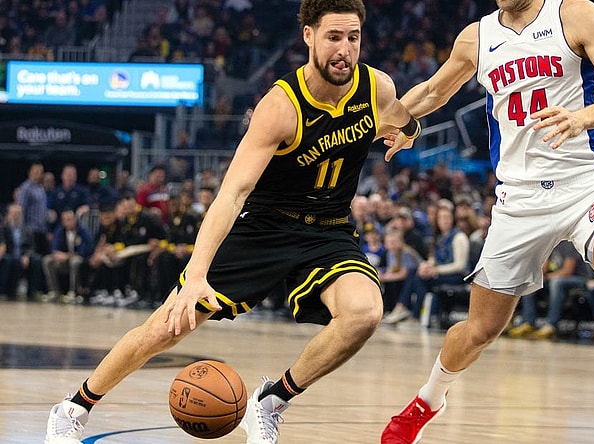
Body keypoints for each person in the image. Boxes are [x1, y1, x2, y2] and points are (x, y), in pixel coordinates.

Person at [45, 1, 421, 443]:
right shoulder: (280, 107)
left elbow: (401, 117)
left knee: (364, 313)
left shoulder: (376, 87)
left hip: (329, 229)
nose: (344, 50)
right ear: (308, 36)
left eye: (353, 38)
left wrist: (408, 133)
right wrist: (197, 275)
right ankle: (74, 407)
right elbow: (232, 194)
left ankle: (271, 400)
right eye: (333, 37)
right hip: (265, 226)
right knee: (167, 326)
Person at [380, 1, 594, 443]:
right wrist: (392, 120)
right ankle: (427, 400)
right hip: (519, 198)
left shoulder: (577, 14)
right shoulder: (477, 36)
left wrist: (581, 117)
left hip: (586, 180)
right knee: (480, 329)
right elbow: (434, 91)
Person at [42, 209, 95, 303]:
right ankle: (54, 291)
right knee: (47, 260)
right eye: (65, 220)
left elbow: (85, 251)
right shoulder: (60, 230)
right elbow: (54, 248)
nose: (67, 222)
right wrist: (57, 255)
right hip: (64, 261)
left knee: (75, 261)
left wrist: (67, 256)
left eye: (69, 219)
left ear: (75, 219)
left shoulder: (83, 230)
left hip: (81, 260)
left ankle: (73, 292)